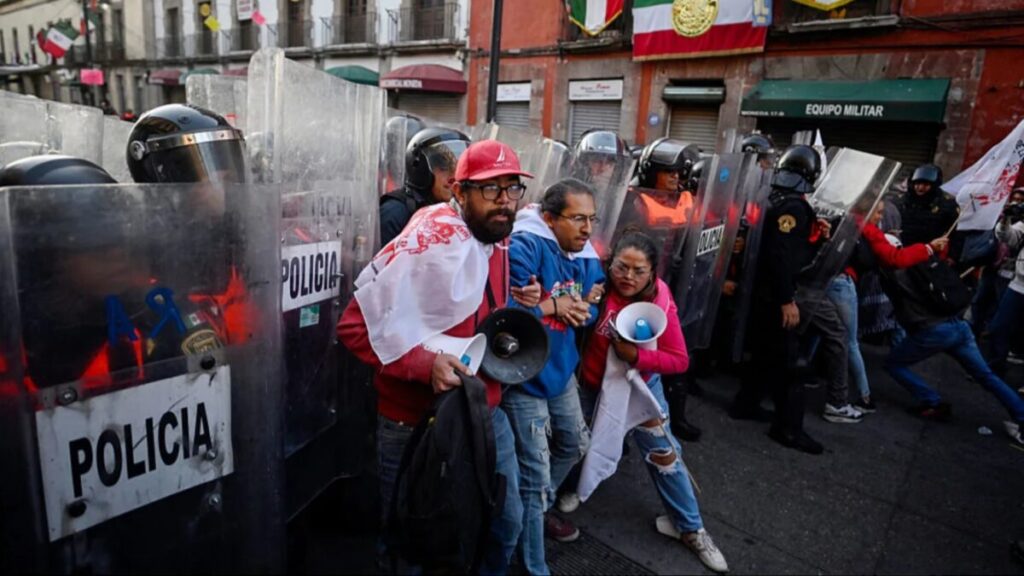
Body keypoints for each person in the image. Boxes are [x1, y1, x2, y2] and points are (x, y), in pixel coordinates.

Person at [337, 139, 541, 574]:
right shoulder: (430, 240)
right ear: (459, 191)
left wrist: (520, 305)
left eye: (512, 188)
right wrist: (425, 365)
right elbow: (355, 328)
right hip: (412, 421)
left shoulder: (498, 239)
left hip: (485, 412)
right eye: (491, 189)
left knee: (504, 522)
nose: (504, 202)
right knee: (408, 540)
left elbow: (473, 315)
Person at [576, 231, 728, 574]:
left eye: (638, 270)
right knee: (573, 442)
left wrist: (638, 357)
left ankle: (691, 529)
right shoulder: (599, 285)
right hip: (591, 385)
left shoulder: (659, 300)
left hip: (640, 389)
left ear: (652, 273)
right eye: (621, 267)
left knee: (665, 457)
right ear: (610, 263)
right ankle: (574, 489)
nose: (628, 277)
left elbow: (680, 360)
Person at [504, 178, 604, 574]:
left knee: (576, 443)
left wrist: (577, 308)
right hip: (523, 377)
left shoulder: (584, 252)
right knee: (534, 472)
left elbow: (592, 303)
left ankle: (533, 510)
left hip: (560, 372)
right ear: (548, 218)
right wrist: (552, 306)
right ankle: (534, 564)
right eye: (577, 218)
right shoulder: (525, 244)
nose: (587, 229)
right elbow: (506, 312)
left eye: (592, 219)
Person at [733, 145, 843, 453]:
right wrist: (786, 300)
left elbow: (789, 251)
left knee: (763, 354)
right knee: (792, 363)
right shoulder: (794, 206)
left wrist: (817, 239)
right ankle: (788, 429)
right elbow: (781, 257)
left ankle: (745, 404)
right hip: (775, 295)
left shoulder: (772, 195)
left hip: (759, 292)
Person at [880, 238, 1024, 446]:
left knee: (893, 364)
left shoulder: (895, 274)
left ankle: (931, 400)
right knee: (986, 376)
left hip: (935, 330)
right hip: (958, 326)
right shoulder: (922, 263)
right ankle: (1021, 415)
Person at [827, 199, 947, 413]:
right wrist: (928, 248)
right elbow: (895, 258)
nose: (880, 217)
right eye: (878, 212)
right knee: (849, 341)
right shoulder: (867, 229)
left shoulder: (844, 219)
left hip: (828, 279)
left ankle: (806, 373)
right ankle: (864, 396)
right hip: (842, 283)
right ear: (866, 210)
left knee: (823, 332)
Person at [620, 137, 702, 442]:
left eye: (679, 173)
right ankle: (624, 430)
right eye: (669, 172)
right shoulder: (634, 201)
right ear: (652, 171)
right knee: (634, 359)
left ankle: (676, 417)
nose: (675, 178)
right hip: (638, 290)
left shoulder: (682, 199)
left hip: (670, 287)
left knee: (675, 354)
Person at [379, 127, 471, 246]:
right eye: (443, 168)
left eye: (457, 169)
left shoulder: (462, 211)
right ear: (421, 169)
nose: (453, 177)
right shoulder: (396, 212)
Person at [987, 195, 1024, 377]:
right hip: (1018, 285)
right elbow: (1007, 237)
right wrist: (1005, 219)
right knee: (999, 327)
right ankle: (995, 368)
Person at [895, 164, 959, 246]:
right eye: (917, 183)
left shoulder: (947, 204)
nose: (920, 188)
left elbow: (955, 234)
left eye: (926, 184)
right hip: (902, 247)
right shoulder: (903, 200)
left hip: (930, 249)